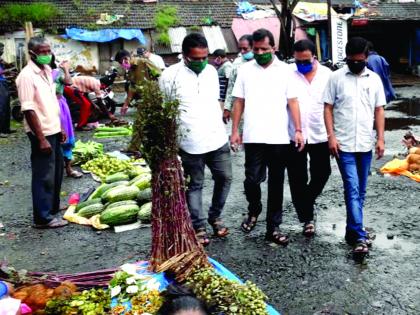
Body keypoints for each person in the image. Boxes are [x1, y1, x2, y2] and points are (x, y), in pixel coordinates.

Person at [231, 29, 304, 246]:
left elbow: (293, 102)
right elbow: (238, 102)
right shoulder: (245, 70)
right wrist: (235, 131)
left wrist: (298, 130)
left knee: (276, 183)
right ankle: (254, 210)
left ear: (274, 48)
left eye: (265, 48)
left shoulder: (286, 71)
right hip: (253, 136)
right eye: (257, 49)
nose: (260, 52)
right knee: (251, 180)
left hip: (279, 137)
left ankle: (273, 227)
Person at [159, 33, 232, 246]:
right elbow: (166, 111)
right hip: (189, 143)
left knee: (225, 178)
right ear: (184, 56)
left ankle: (215, 216)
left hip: (217, 138)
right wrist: (170, 144)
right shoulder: (169, 76)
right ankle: (198, 226)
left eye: (204, 57)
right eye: (195, 58)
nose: (201, 62)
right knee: (195, 185)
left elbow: (215, 99)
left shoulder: (211, 72)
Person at [323, 37, 386, 257]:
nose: (355, 64)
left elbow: (379, 110)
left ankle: (352, 231)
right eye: (351, 60)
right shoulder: (336, 78)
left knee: (361, 190)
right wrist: (331, 136)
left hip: (365, 144)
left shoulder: (374, 80)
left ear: (366, 58)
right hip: (344, 144)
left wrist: (380, 139)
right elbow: (328, 108)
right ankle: (360, 236)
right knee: (352, 187)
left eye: (359, 60)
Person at [16, 36, 68, 228]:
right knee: (43, 175)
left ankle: (52, 208)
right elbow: (28, 109)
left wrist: (60, 126)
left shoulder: (47, 70)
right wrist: (41, 139)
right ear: (32, 54)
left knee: (56, 171)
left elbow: (51, 102)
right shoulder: (26, 76)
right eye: (43, 52)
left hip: (53, 128)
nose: (47, 55)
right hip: (41, 132)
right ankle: (42, 218)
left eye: (49, 51)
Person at [287, 39, 332, 237]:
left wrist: (334, 133)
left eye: (306, 60)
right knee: (297, 177)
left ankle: (307, 200)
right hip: (294, 134)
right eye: (298, 61)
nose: (301, 65)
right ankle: (307, 219)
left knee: (322, 173)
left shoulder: (327, 75)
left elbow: (333, 105)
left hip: (321, 132)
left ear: (315, 57)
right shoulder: (288, 73)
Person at [115, 49, 161, 153]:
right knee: (140, 124)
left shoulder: (143, 62)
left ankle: (155, 148)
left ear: (126, 59)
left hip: (153, 98)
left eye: (120, 62)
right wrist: (126, 104)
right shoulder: (130, 69)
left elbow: (160, 75)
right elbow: (132, 87)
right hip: (142, 101)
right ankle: (135, 148)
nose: (121, 65)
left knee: (153, 125)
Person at [50, 55, 82, 178]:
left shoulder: (57, 73)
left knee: (66, 138)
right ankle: (53, 170)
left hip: (59, 106)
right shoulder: (37, 75)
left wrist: (66, 69)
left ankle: (68, 169)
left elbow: (69, 82)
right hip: (44, 106)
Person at [223, 34, 254, 124]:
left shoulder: (260, 64)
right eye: (240, 49)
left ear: (253, 47)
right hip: (239, 106)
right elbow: (231, 86)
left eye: (245, 48)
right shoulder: (237, 63)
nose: (242, 51)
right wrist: (227, 108)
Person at [0, 43, 14, 136]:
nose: (2, 51)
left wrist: (8, 75)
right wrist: (8, 71)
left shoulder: (1, 60)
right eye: (1, 49)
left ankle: (6, 128)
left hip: (3, 83)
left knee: (6, 107)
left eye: (2, 49)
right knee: (1, 108)